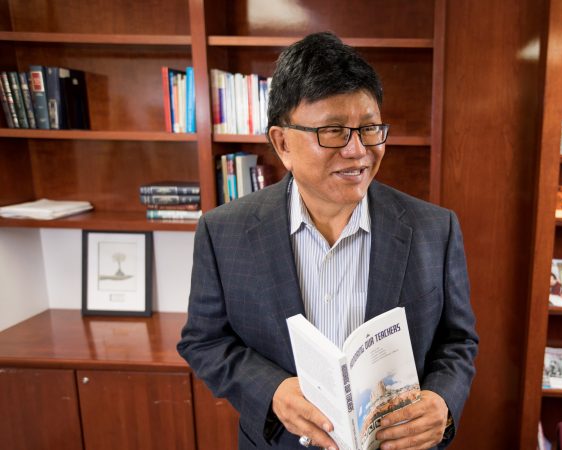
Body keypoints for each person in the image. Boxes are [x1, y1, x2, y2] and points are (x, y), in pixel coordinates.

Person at [177, 32, 478, 450]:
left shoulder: (434, 229)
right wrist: (273, 391)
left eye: (369, 128)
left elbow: (458, 341)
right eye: (334, 131)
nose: (358, 151)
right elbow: (203, 341)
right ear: (282, 142)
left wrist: (441, 402)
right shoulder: (223, 232)